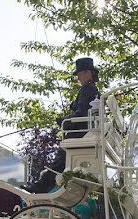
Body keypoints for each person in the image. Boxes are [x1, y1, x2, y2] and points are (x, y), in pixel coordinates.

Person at [24, 57, 100, 193]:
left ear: (87, 72)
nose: (78, 78)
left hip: (80, 132)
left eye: (79, 74)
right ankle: (45, 184)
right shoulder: (93, 89)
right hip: (86, 131)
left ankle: (41, 186)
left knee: (59, 160)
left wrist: (64, 120)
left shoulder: (87, 89)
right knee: (60, 161)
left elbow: (81, 113)